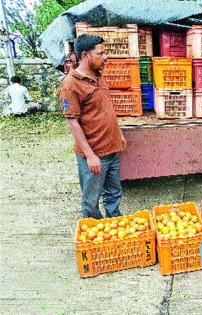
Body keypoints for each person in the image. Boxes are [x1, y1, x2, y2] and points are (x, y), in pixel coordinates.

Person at [58, 34, 127, 219]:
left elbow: (106, 108)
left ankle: (115, 227)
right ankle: (95, 233)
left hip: (112, 149)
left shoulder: (98, 76)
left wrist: (118, 133)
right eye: (100, 53)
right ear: (86, 55)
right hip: (95, 154)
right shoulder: (70, 85)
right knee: (91, 199)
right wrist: (90, 155)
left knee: (114, 193)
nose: (105, 57)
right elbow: (72, 122)